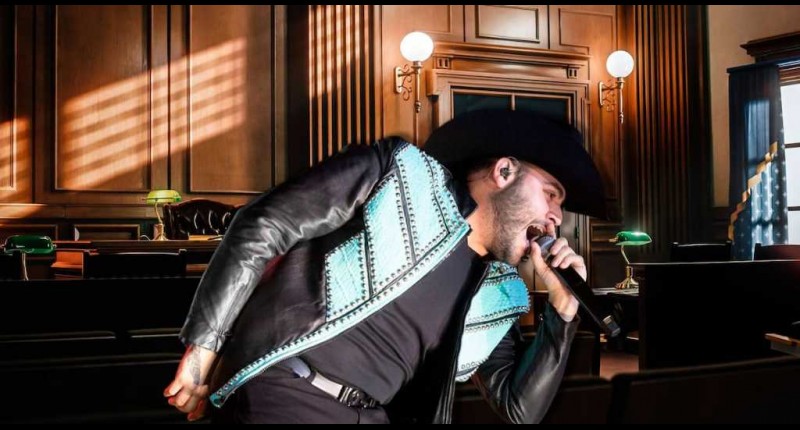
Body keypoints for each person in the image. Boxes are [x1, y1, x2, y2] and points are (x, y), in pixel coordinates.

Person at [163, 109, 607, 424]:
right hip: (287, 391)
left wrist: (563, 313)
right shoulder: (400, 174)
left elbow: (519, 409)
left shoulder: (498, 291)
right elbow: (264, 223)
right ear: (504, 172)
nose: (556, 217)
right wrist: (203, 353)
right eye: (551, 194)